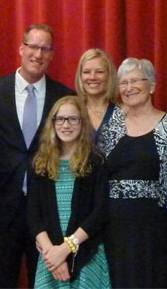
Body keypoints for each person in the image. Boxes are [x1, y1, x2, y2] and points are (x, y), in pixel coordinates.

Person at [0, 24, 74, 288]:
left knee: (43, 282)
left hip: (46, 210)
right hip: (0, 210)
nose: (38, 54)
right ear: (21, 48)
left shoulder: (64, 96)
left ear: (52, 55)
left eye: (45, 48)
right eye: (33, 46)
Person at [97, 58, 167, 288]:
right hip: (114, 227)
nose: (128, 87)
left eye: (135, 81)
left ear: (152, 86)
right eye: (123, 83)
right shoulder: (111, 127)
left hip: (157, 227)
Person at [27, 96, 110, 289]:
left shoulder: (96, 161)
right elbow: (33, 215)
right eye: (60, 119)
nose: (66, 125)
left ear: (82, 122)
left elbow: (100, 212)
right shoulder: (39, 164)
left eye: (73, 119)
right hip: (49, 256)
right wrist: (52, 255)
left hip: (87, 254)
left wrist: (66, 249)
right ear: (52, 122)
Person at [74, 49, 118, 142]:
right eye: (86, 72)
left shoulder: (123, 113)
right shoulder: (73, 110)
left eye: (99, 72)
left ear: (109, 75)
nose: (92, 77)